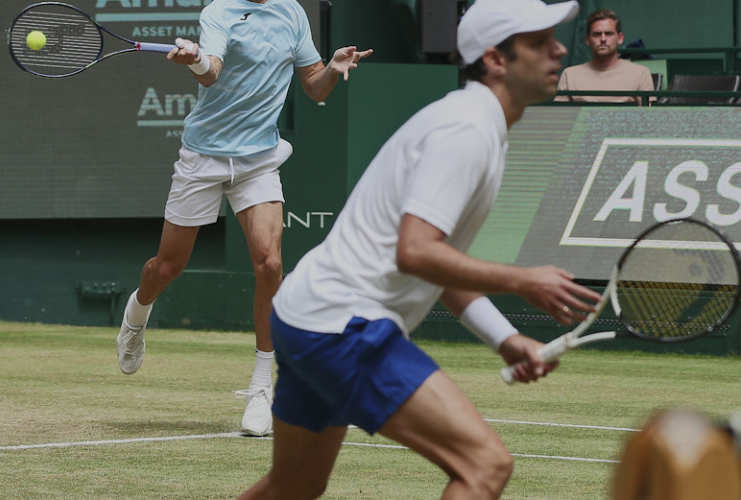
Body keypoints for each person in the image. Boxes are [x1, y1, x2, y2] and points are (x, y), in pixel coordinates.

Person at [239, 0, 601, 498]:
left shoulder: (481, 126)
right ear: (496, 59)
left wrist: (503, 336)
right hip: (345, 325)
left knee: (295, 484)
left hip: (305, 316)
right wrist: (523, 279)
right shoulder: (467, 129)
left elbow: (438, 264)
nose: (559, 49)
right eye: (539, 42)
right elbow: (417, 252)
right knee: (485, 466)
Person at [116, 0, 373, 437]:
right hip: (204, 156)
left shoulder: (292, 12)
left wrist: (331, 66)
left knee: (270, 263)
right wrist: (196, 59)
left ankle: (260, 389)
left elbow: (315, 86)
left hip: (257, 160)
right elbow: (212, 71)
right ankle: (136, 318)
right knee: (167, 267)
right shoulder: (219, 12)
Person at [554, 9, 654, 104]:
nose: (603, 39)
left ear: (620, 38)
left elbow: (648, 116)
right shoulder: (570, 75)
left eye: (608, 34)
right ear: (587, 40)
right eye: (597, 34)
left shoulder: (640, 73)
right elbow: (560, 116)